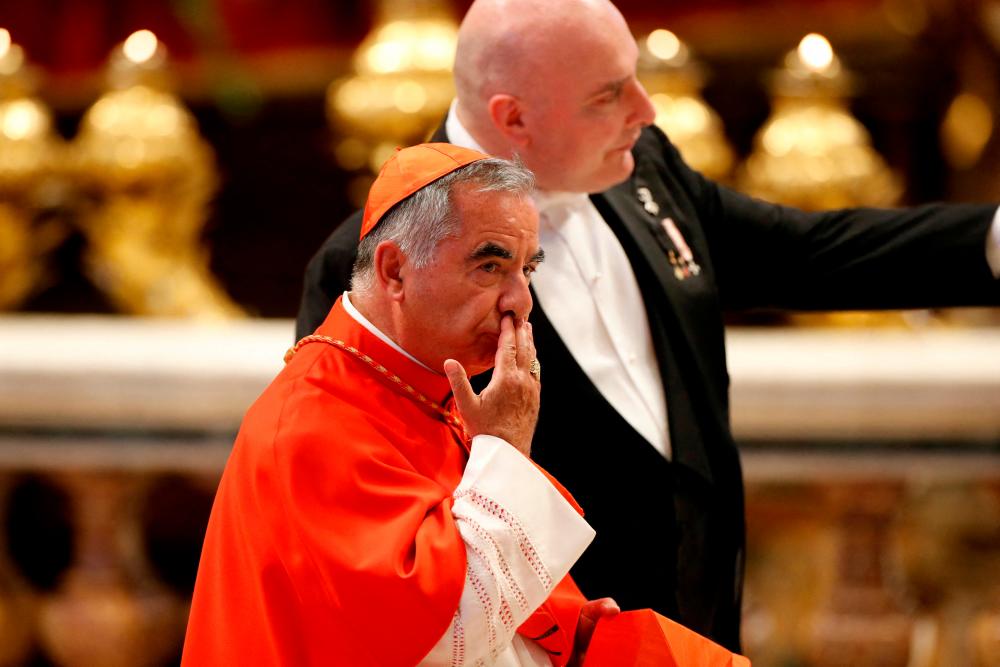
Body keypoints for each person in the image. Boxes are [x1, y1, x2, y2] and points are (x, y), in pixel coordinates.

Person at [296, 0, 1000, 653]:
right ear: (513, 119)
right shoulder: (369, 270)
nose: (645, 109)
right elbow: (373, 553)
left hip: (702, 636)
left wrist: (993, 240)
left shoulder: (639, 165)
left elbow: (804, 254)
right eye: (608, 95)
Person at [183, 144, 622, 666]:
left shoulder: (432, 390)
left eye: (528, 269)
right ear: (395, 270)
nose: (520, 301)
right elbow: (441, 639)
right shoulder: (312, 424)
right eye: (490, 266)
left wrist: (560, 633)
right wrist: (504, 446)